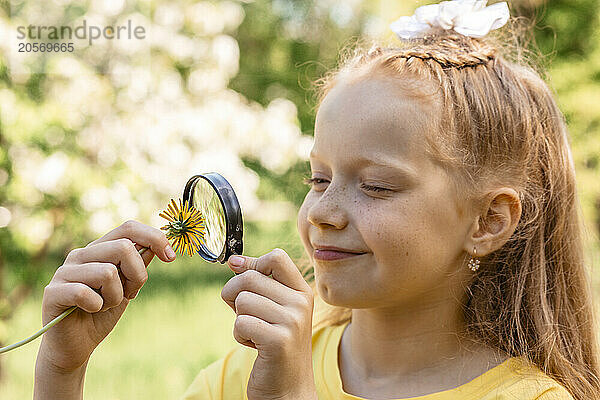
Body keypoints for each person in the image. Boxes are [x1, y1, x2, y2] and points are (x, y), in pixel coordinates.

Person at [34, 2, 600, 400]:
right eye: (318, 179)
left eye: (376, 186)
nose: (324, 213)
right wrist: (62, 372)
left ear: (488, 220)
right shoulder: (241, 375)